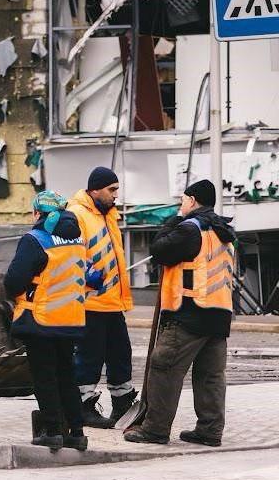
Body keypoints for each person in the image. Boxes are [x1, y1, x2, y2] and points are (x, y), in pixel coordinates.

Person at [125, 180, 235, 446]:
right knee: (210, 377)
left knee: (164, 368)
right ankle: (209, 431)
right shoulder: (225, 231)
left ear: (192, 200)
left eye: (183, 200)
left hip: (189, 313)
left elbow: (159, 250)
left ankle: (155, 430)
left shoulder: (190, 229)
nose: (181, 204)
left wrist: (174, 218)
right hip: (219, 315)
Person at [5, 191, 93, 452]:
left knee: (45, 377)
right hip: (70, 319)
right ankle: (76, 432)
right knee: (67, 375)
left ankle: (53, 430)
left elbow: (13, 281)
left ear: (36, 213)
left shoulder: (35, 240)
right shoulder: (77, 239)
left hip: (41, 320)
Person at [69, 166, 135, 428]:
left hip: (111, 302)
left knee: (121, 354)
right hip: (90, 302)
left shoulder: (108, 215)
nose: (116, 195)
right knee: (89, 356)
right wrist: (86, 275)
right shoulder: (77, 214)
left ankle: (122, 405)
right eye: (112, 190)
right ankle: (83, 405)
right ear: (94, 189)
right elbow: (72, 253)